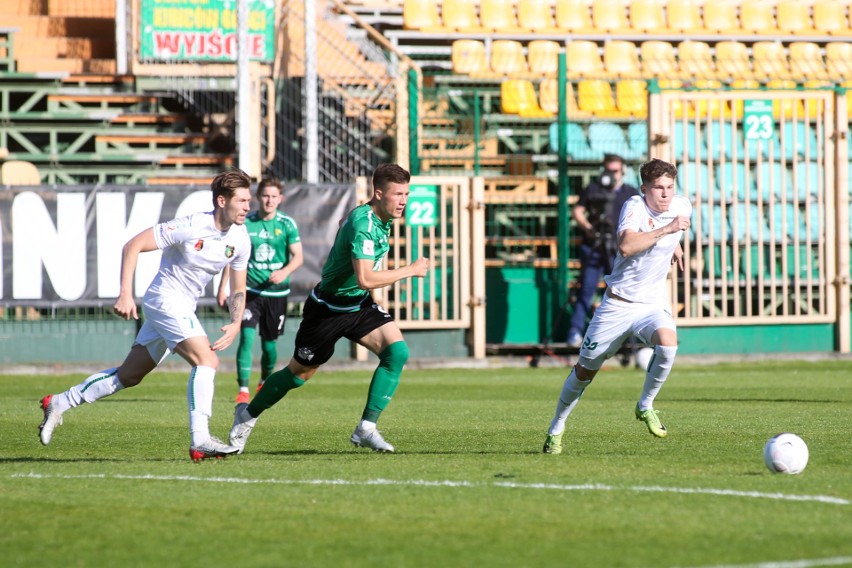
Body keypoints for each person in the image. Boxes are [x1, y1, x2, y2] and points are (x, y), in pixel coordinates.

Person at [38, 168, 254, 461]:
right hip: (164, 299)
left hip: (181, 307)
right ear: (221, 201)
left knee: (128, 376)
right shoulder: (191, 225)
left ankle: (60, 402)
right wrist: (125, 293)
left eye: (248, 200)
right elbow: (133, 245)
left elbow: (238, 287)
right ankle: (200, 439)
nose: (247, 206)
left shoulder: (240, 239)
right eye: (241, 200)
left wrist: (236, 321)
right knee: (207, 359)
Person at [229, 163, 429, 454]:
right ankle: (246, 416)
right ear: (378, 193)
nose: (403, 201)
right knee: (298, 375)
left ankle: (366, 429)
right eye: (397, 194)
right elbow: (366, 278)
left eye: (407, 194)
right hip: (328, 308)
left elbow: (344, 228)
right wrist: (409, 270)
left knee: (396, 352)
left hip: (357, 304)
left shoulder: (372, 215)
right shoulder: (364, 224)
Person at [543, 158, 692, 455]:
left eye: (670, 188)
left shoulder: (682, 206)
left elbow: (671, 229)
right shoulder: (634, 206)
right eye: (658, 188)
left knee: (669, 343)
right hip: (618, 304)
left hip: (651, 302)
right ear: (644, 189)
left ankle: (645, 406)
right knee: (586, 371)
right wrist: (668, 231)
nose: (665, 194)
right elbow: (627, 245)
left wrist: (675, 243)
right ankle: (556, 427)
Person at [218, 178, 303, 405]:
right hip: (249, 292)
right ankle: (243, 389)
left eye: (274, 196)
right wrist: (223, 286)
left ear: (280, 199)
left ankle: (264, 380)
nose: (269, 200)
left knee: (269, 345)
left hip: (276, 294)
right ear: (259, 197)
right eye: (265, 195)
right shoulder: (246, 223)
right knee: (245, 338)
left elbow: (299, 257)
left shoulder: (287, 224)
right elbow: (232, 256)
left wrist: (284, 272)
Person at [566, 154, 639, 348]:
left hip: (617, 249)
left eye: (616, 170)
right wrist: (589, 227)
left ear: (622, 170)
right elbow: (578, 210)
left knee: (620, 291)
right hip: (594, 246)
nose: (613, 174)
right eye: (609, 170)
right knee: (586, 289)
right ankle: (575, 332)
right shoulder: (593, 189)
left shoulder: (629, 192)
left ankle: (624, 335)